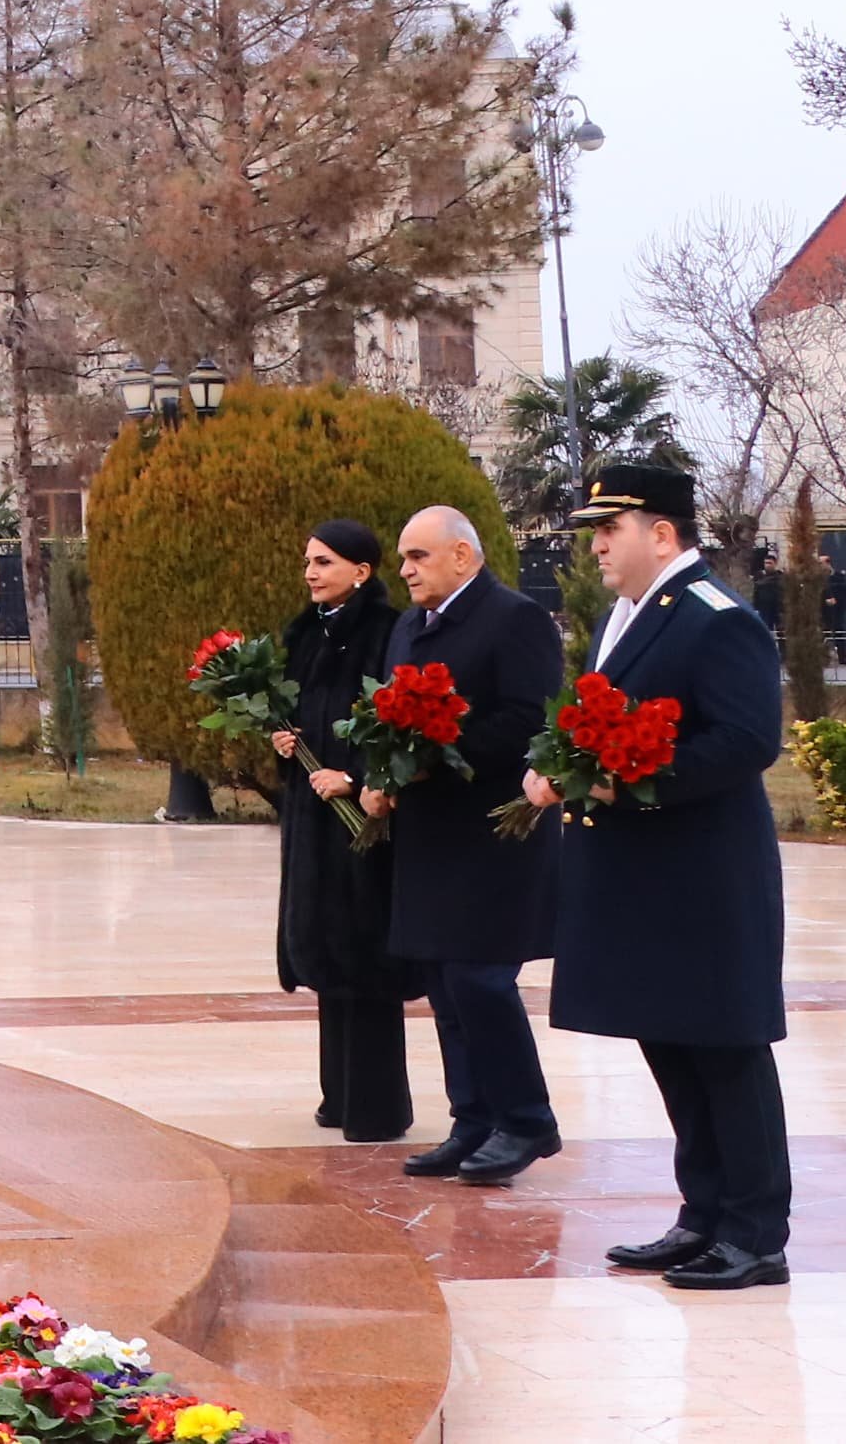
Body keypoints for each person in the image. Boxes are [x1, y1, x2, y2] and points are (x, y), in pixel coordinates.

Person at [541, 462, 794, 1289]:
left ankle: (755, 1233)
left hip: (704, 874)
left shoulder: (717, 617)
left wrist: (635, 780)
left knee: (724, 1047)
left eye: (610, 529)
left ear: (662, 533)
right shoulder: (626, 616)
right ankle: (704, 1214)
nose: (598, 545)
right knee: (672, 1044)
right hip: (643, 872)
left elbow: (749, 739)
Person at [369, 504, 564, 1185]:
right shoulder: (405, 627)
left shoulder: (514, 619)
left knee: (481, 979)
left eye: (418, 555)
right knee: (444, 984)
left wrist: (440, 749)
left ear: (462, 554)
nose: (406, 569)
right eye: (403, 557)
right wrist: (386, 770)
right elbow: (390, 715)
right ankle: (473, 1119)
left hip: (494, 834)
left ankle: (527, 1119)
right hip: (430, 834)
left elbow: (529, 721)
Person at [265, 519, 413, 1145]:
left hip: (363, 824)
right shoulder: (305, 633)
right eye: (308, 561)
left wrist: (354, 777)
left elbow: (400, 722)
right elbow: (298, 712)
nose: (311, 572)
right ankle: (339, 1094)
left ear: (362, 570)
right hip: (312, 820)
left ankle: (377, 1106)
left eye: (324, 562)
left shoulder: (388, 633)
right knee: (327, 956)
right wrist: (283, 744)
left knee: (363, 959)